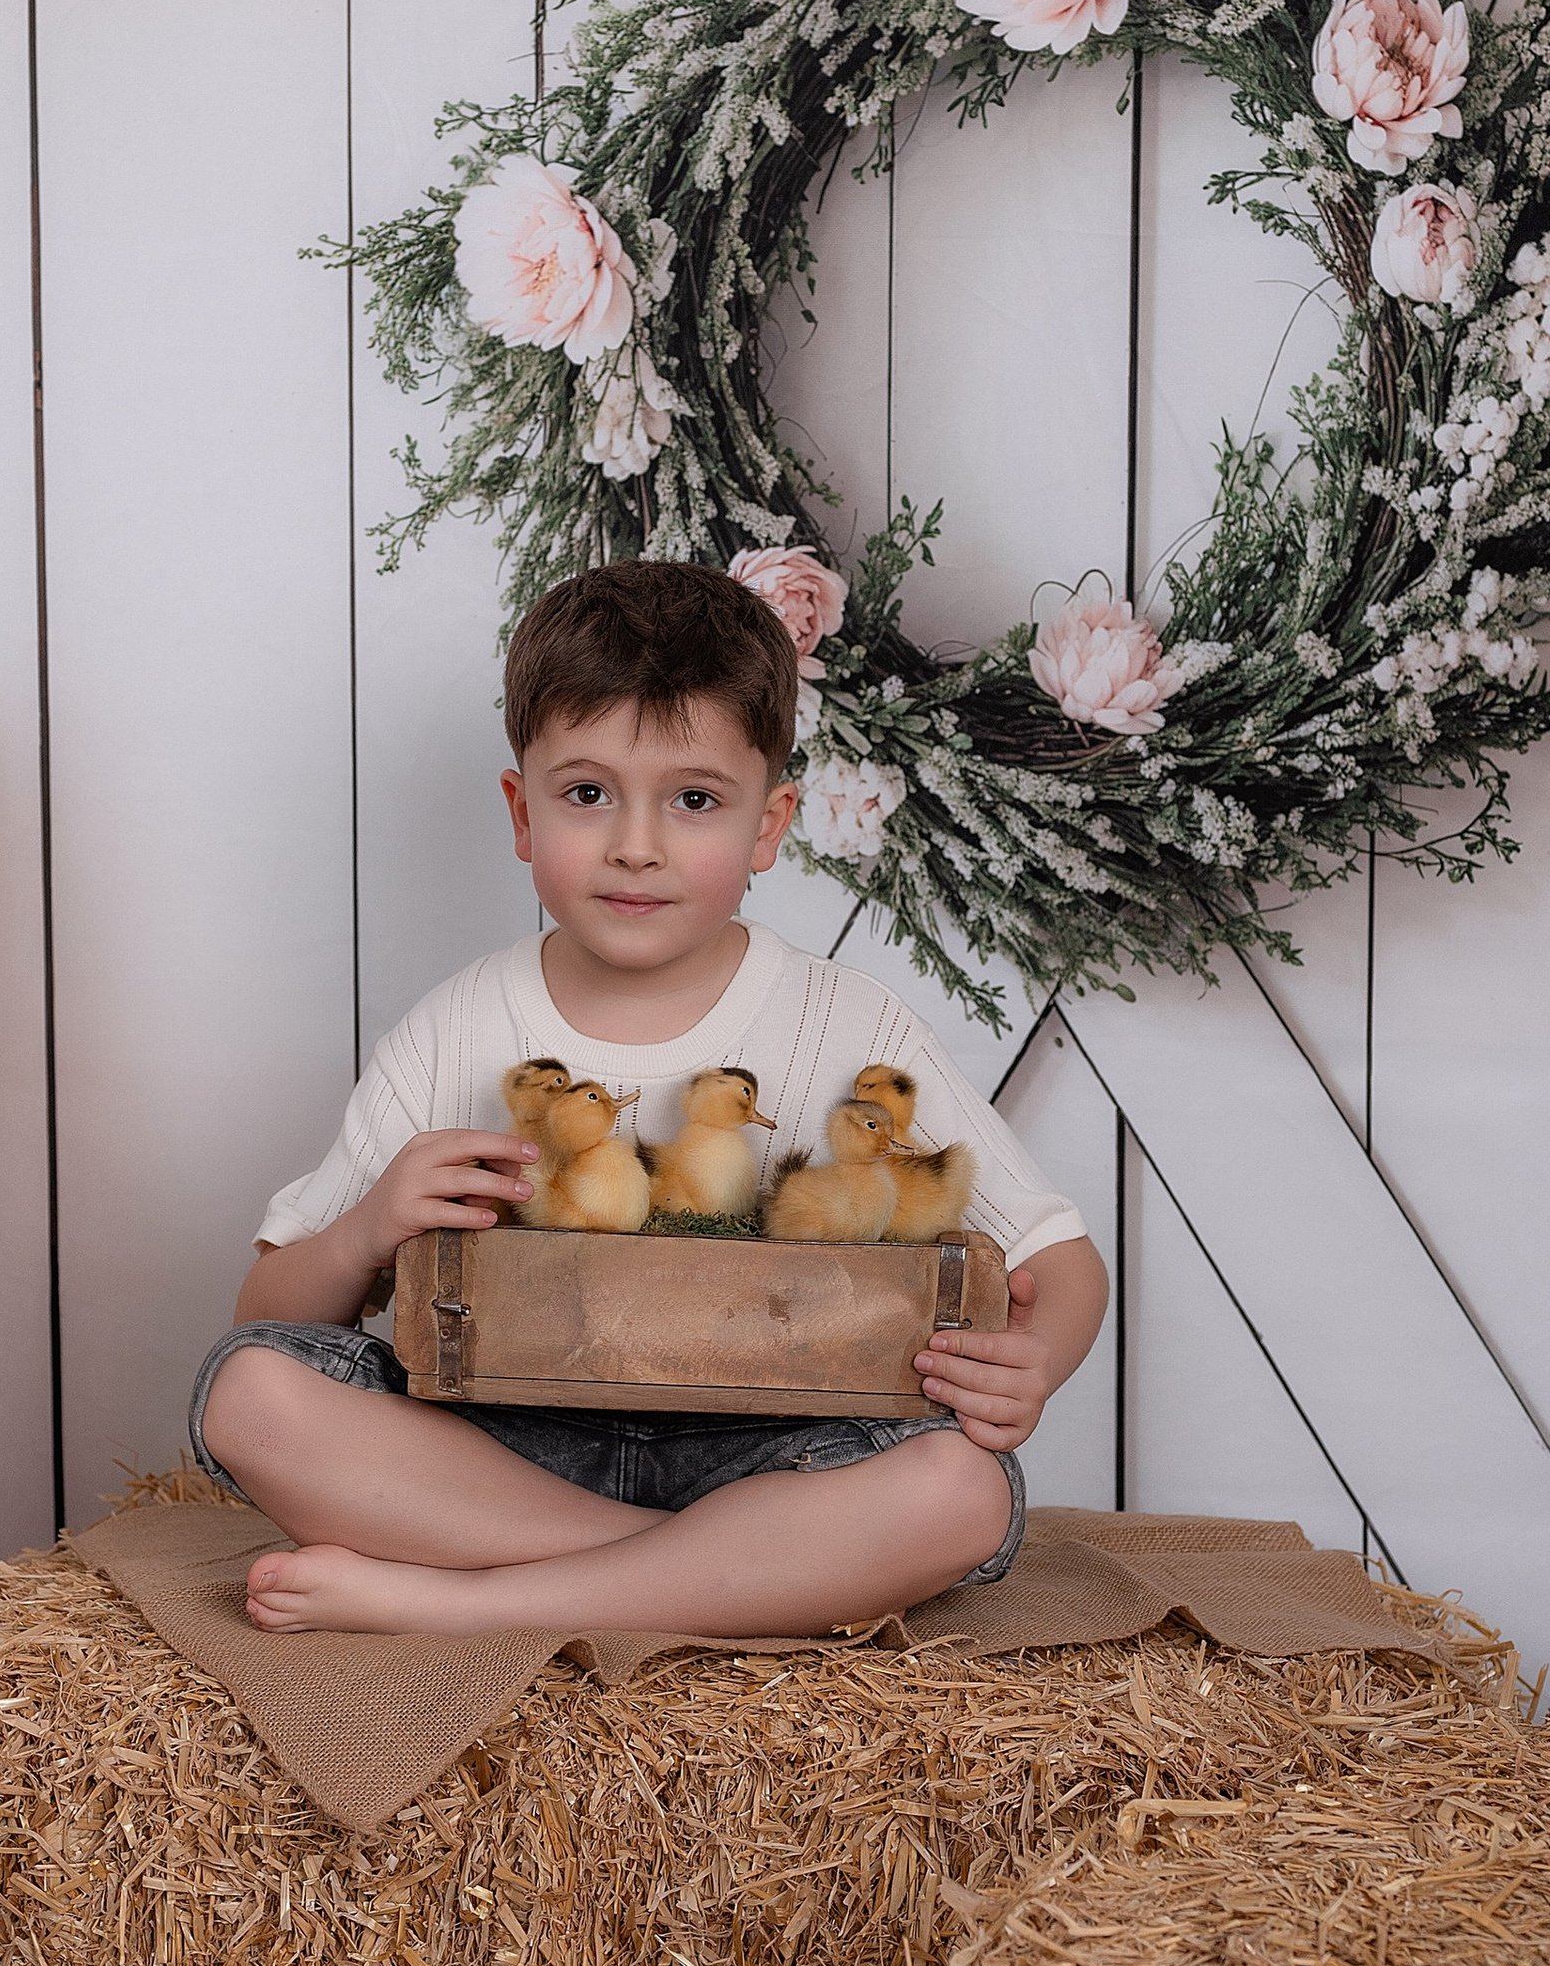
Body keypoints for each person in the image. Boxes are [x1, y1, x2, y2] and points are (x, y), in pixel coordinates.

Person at [193, 559, 1110, 1634]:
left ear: (769, 824)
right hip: (500, 1444)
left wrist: (1030, 1367)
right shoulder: (460, 1023)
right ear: (520, 810)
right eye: (587, 793)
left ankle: (464, 1601)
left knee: (961, 1488)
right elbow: (268, 1312)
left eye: (694, 800)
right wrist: (364, 1229)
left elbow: (1061, 1261)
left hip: (778, 1447)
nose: (636, 842)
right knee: (247, 1391)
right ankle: (726, 1573)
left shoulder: (847, 1022)